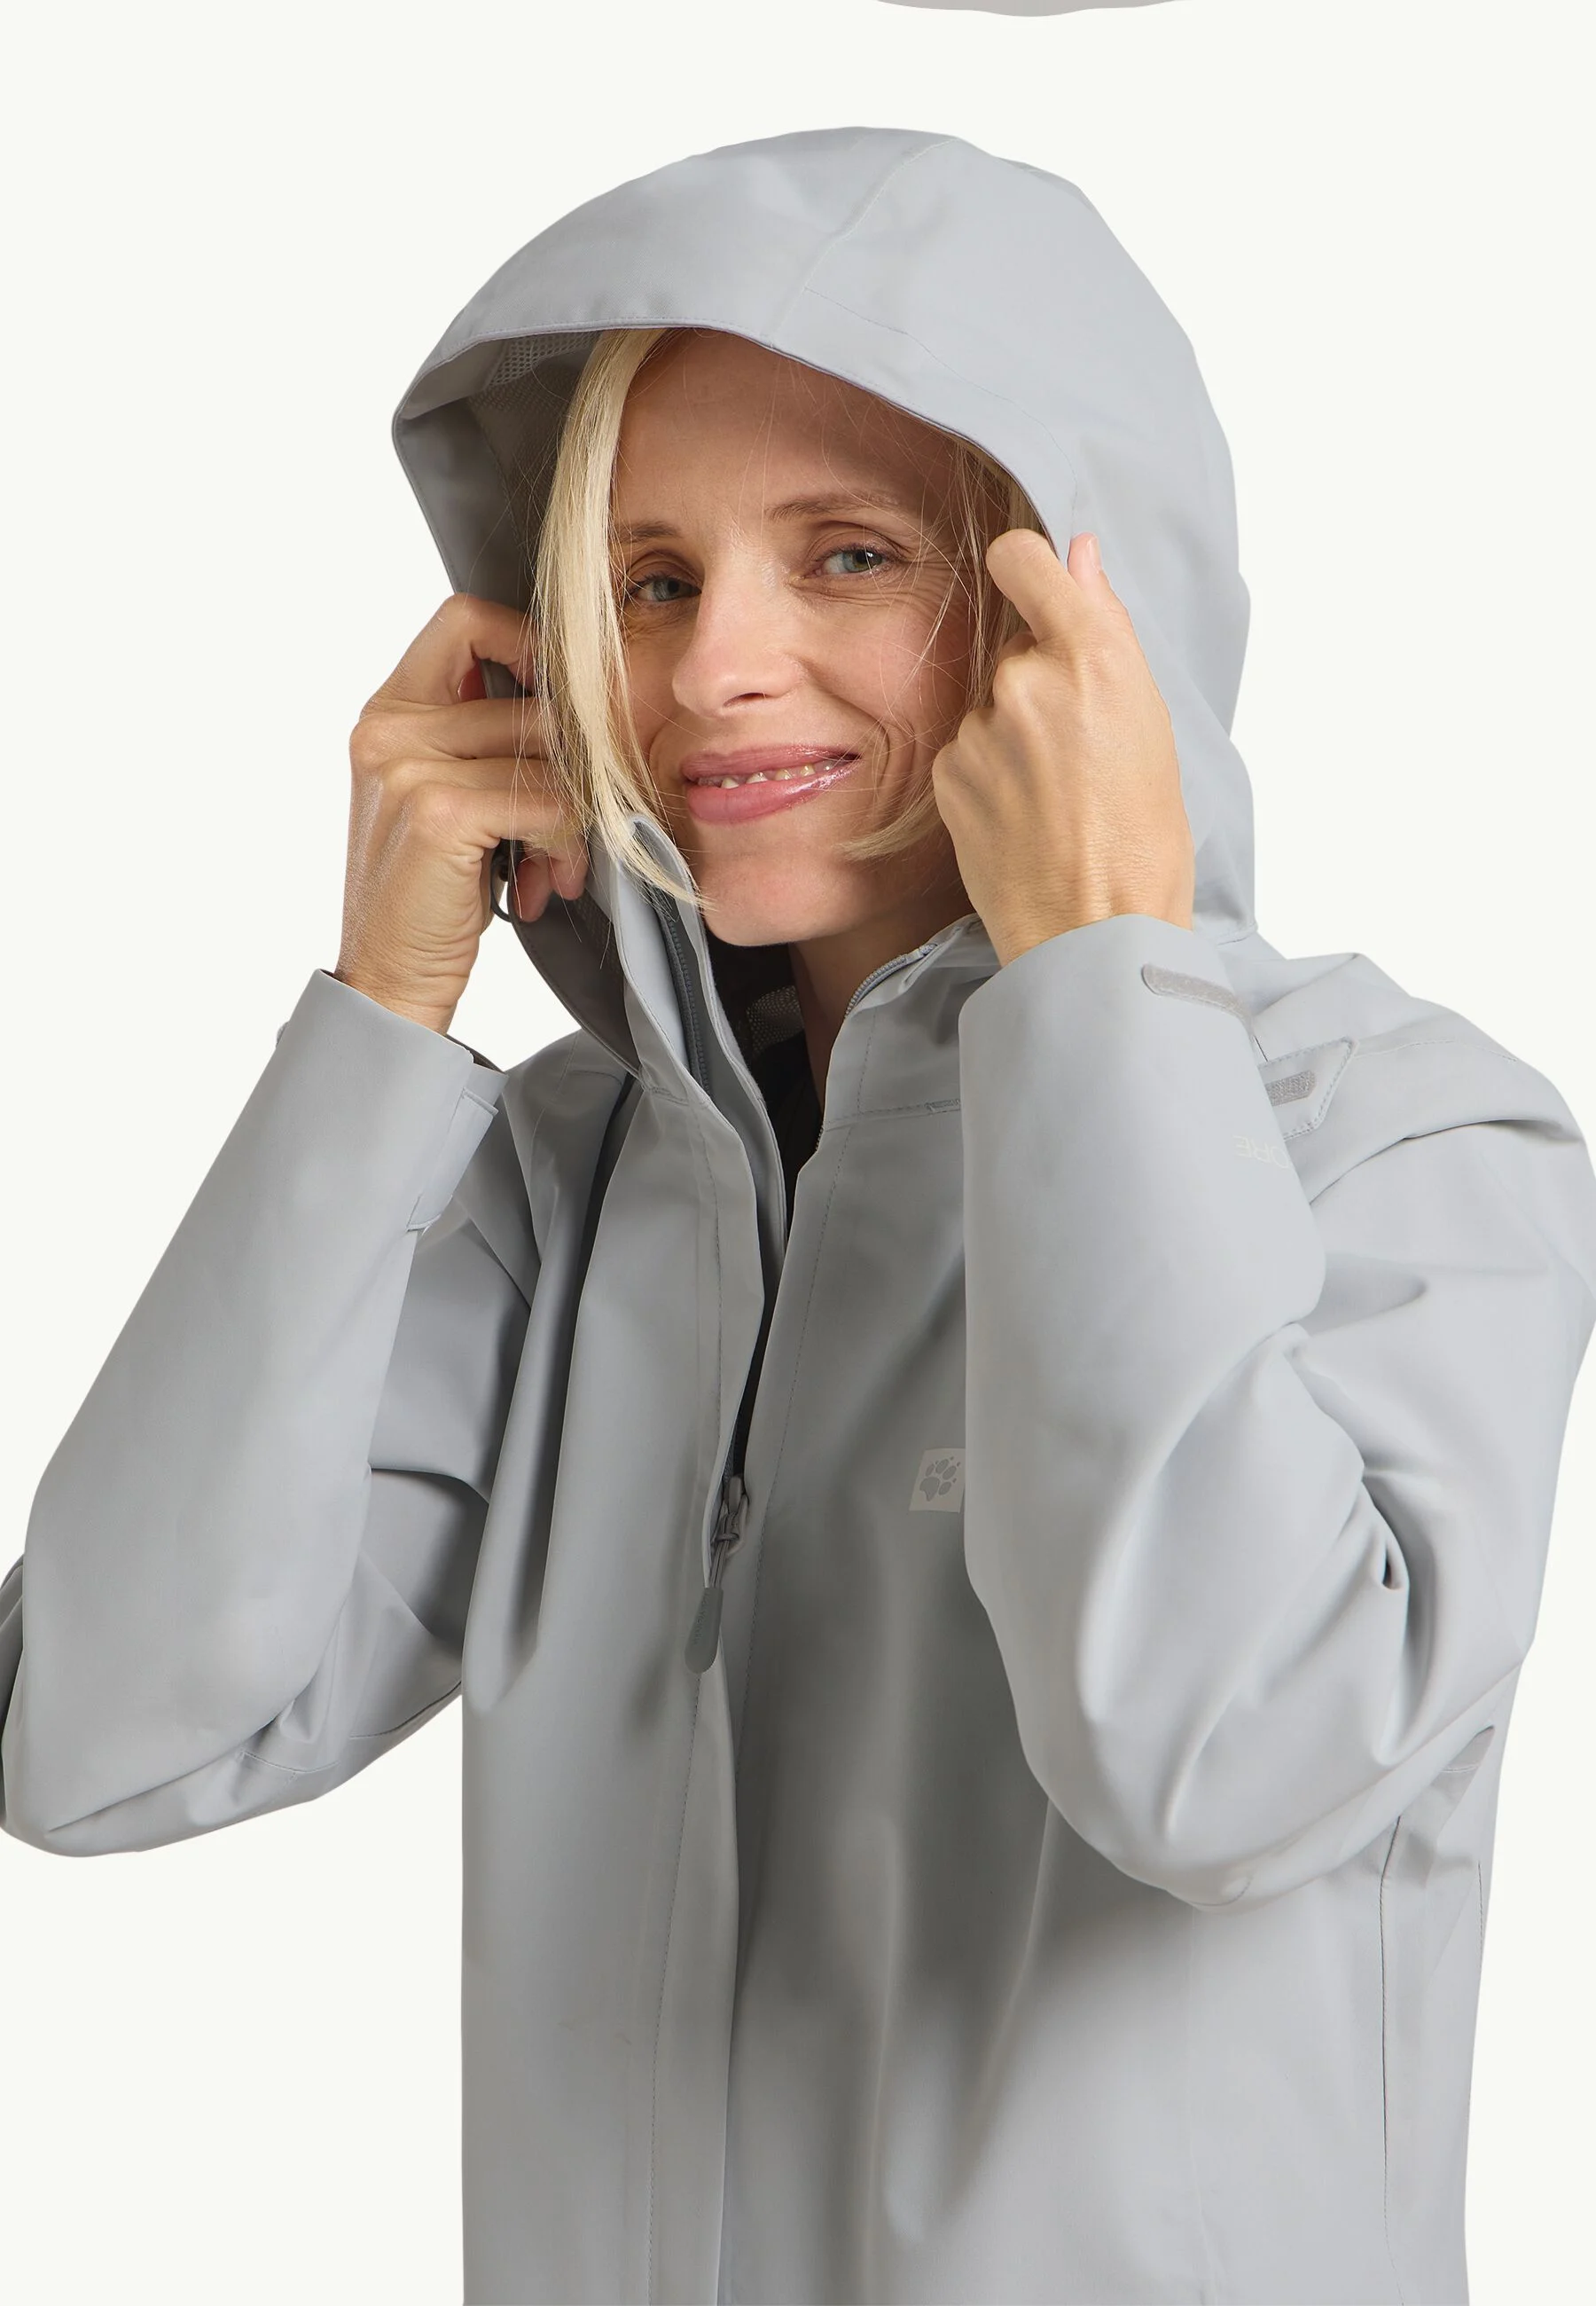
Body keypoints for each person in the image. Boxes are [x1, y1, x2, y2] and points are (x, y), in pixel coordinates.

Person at [3, 124, 1592, 2306]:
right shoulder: (572, 1187)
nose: (709, 670)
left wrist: (1096, 985)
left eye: (846, 556)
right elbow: (98, 1739)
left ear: (1077, 606)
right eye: (650, 582)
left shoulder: (1403, 1142)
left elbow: (1219, 1756)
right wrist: (378, 1018)